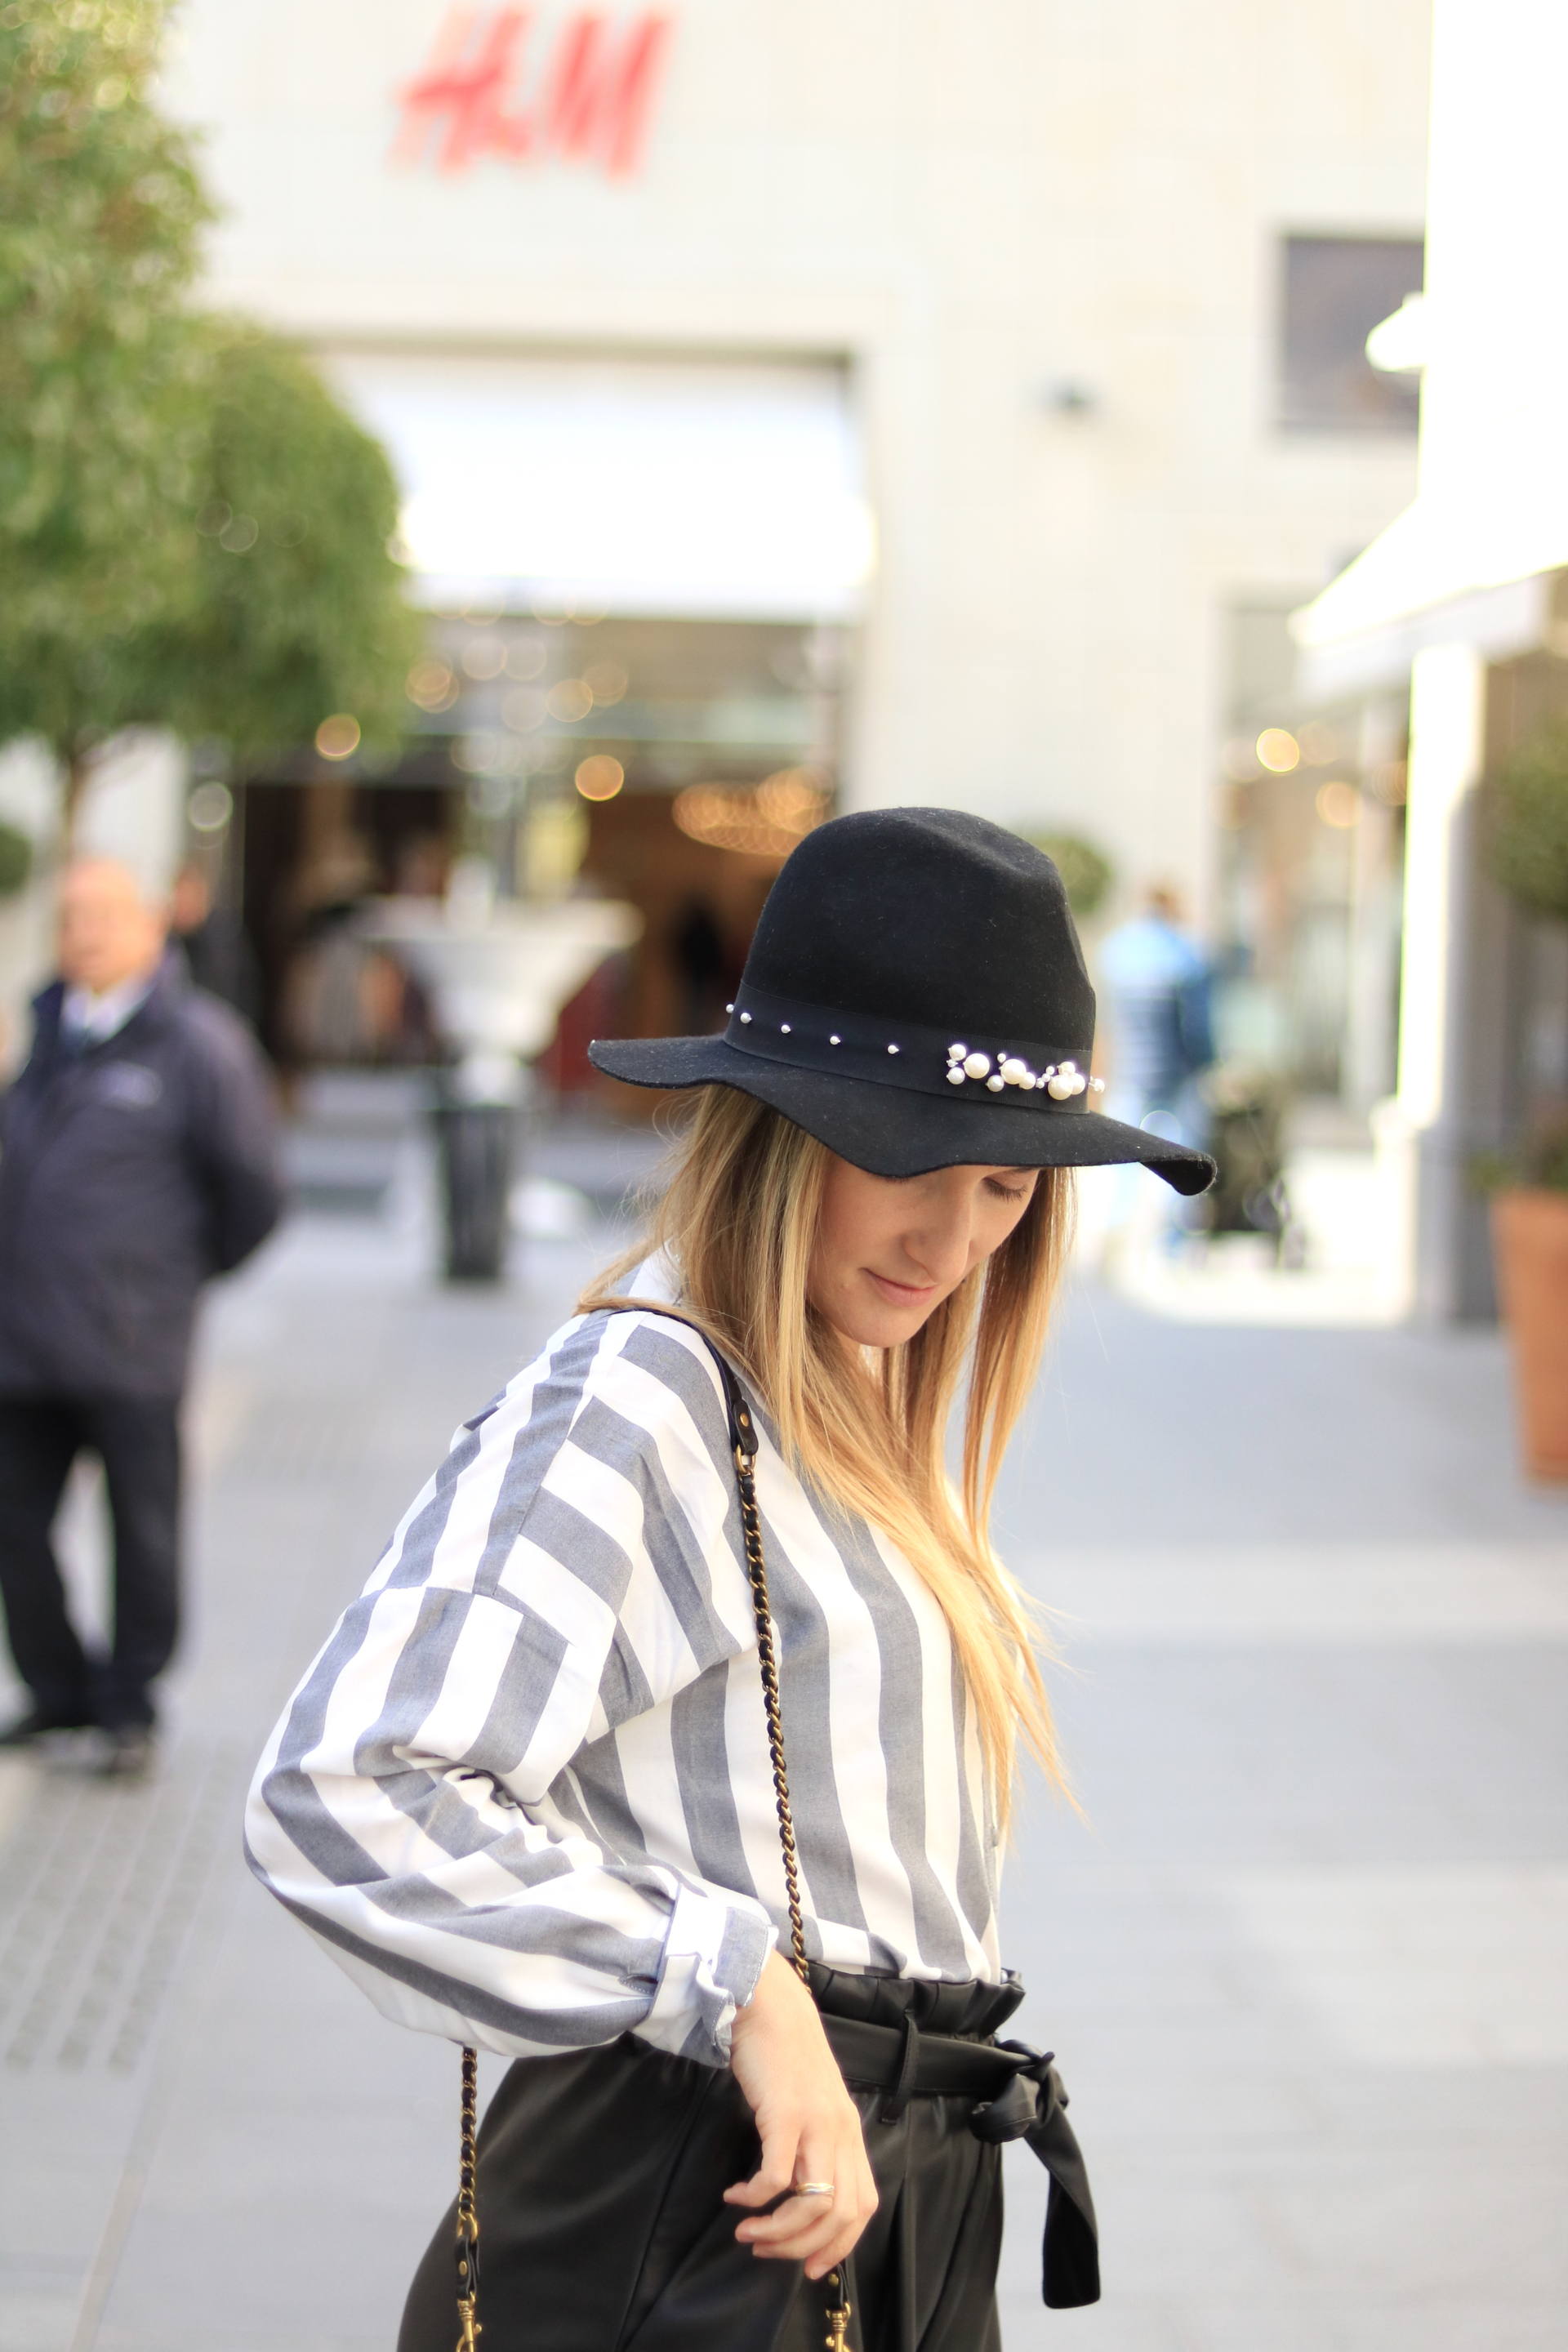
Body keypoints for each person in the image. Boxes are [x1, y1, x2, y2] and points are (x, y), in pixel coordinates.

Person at [245, 810, 1213, 2350]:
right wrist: (740, 1989)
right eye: (910, 1159)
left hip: (885, 2186)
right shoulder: (644, 1396)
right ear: (781, 1126)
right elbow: (344, 1790)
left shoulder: (833, 1385)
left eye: (1006, 1187)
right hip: (704, 2205)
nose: (953, 1238)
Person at [0, 858, 284, 1775]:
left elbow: (255, 1192)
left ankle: (130, 1706)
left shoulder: (199, 1046)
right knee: (15, 1524)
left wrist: (171, 1277)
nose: (82, 933)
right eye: (69, 917)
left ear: (151, 927)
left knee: (144, 1534)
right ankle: (58, 1691)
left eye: (102, 915)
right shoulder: (43, 1032)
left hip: (132, 1345)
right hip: (22, 1342)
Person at [1097, 881, 1215, 1152]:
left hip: (1127, 1075)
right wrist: (1207, 1064)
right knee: (1179, 1156)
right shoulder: (1185, 952)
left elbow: (1105, 1019)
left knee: (1123, 1153)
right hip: (1175, 1082)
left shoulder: (1116, 949)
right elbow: (1197, 1028)